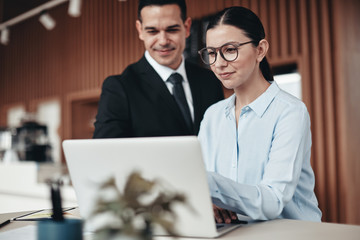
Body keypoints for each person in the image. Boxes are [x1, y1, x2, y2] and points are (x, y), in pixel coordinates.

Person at [197, 6, 322, 223]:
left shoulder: (290, 112)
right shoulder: (212, 116)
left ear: (260, 50)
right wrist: (205, 199)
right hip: (235, 233)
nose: (218, 63)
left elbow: (272, 200)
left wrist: (208, 185)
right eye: (211, 53)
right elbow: (200, 190)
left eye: (229, 50)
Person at [93, 0, 224, 138]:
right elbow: (106, 155)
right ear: (140, 30)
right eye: (152, 31)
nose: (163, 41)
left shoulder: (209, 80)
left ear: (186, 27)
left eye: (172, 30)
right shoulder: (119, 87)